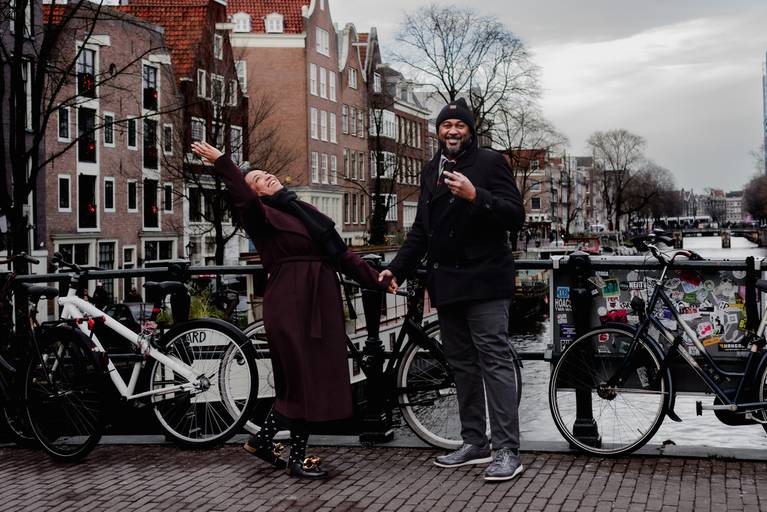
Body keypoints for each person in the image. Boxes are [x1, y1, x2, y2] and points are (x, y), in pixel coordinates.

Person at [191, 140, 389, 479]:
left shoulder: (301, 210)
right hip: (290, 303)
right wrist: (225, 164)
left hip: (319, 302)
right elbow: (242, 195)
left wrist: (376, 279)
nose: (265, 176)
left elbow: (340, 254)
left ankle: (265, 442)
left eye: (266, 173)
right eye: (256, 178)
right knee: (299, 380)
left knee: (308, 379)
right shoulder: (258, 216)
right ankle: (295, 457)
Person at [378, 98, 526, 482]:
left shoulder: (491, 163)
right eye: (447, 126)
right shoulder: (431, 171)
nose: (453, 131)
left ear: (470, 131)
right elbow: (421, 233)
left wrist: (477, 196)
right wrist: (396, 268)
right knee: (461, 365)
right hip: (447, 282)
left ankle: (508, 449)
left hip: (486, 279)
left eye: (460, 125)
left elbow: (515, 216)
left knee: (494, 362)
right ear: (439, 132)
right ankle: (474, 441)